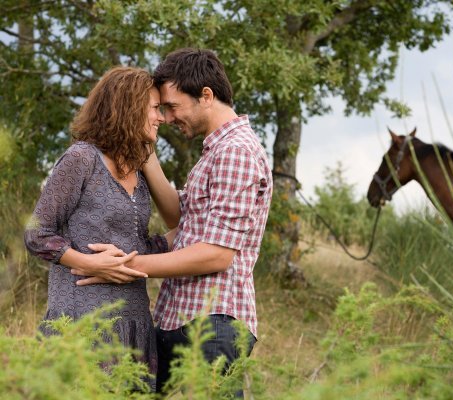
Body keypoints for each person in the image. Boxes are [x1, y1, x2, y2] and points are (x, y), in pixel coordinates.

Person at [75, 48, 273, 396]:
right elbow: (180, 217)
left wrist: (126, 265)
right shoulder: (216, 152)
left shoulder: (236, 152)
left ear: (206, 96)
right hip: (181, 319)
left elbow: (216, 254)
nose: (166, 117)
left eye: (173, 106)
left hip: (212, 324)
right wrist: (147, 155)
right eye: (161, 109)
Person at [24, 66, 174, 389]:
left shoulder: (139, 172)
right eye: (154, 108)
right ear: (128, 108)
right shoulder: (82, 159)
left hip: (135, 327)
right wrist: (90, 263)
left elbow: (138, 245)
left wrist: (190, 232)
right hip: (83, 324)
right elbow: (36, 234)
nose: (160, 117)